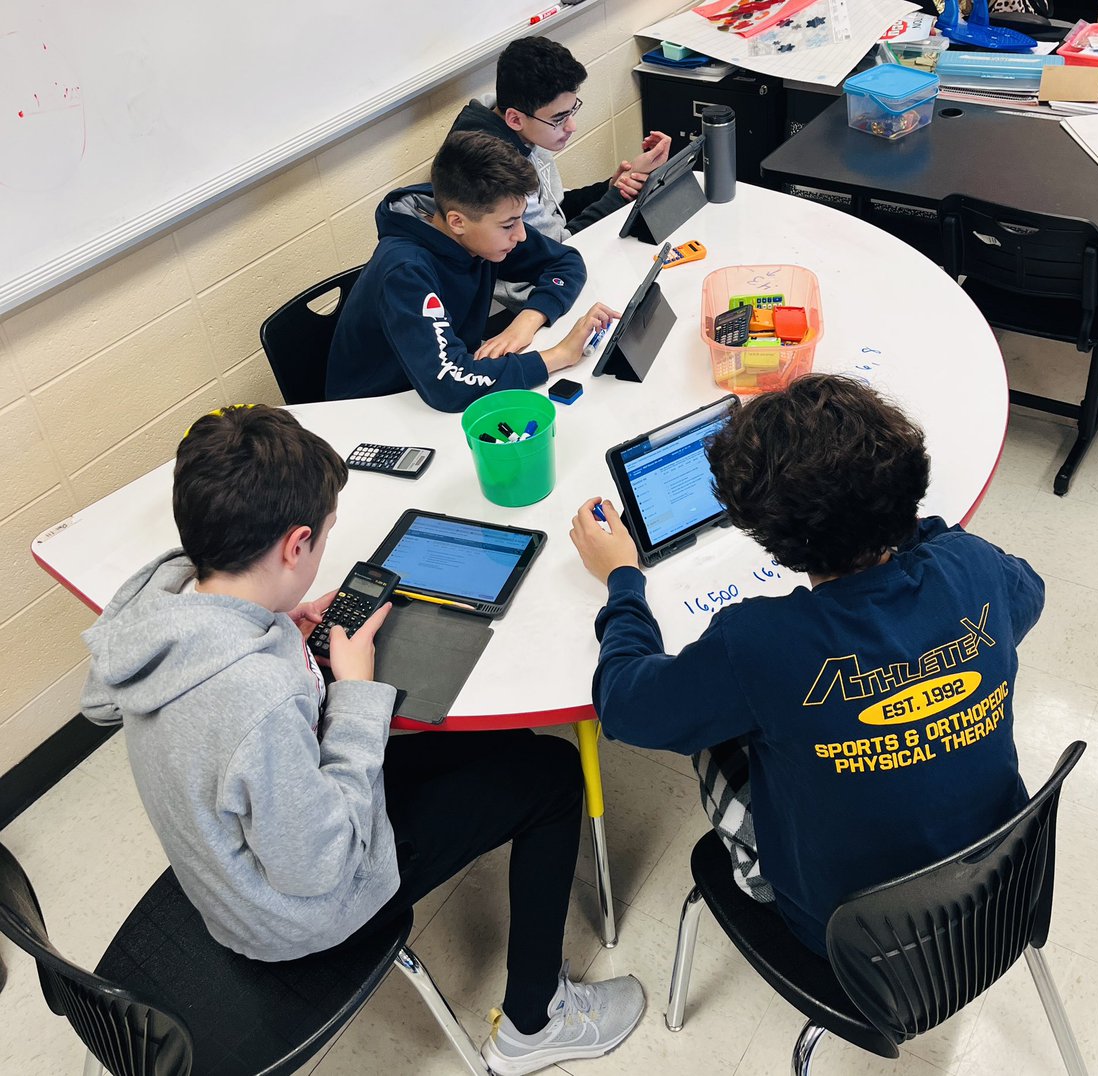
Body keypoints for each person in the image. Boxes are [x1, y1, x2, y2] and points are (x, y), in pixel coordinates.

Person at [80, 405, 644, 1075]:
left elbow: (183, 708)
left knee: (504, 743)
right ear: (295, 546)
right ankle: (536, 1020)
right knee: (552, 773)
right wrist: (352, 690)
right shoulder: (254, 701)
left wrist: (273, 618)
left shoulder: (161, 603)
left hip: (246, 840)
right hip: (295, 910)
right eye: (320, 542)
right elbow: (322, 863)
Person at [568, 374, 1044, 955]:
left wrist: (622, 580)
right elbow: (1028, 596)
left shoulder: (760, 643)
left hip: (852, 941)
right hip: (1005, 891)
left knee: (712, 731)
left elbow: (622, 706)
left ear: (769, 539)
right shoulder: (972, 565)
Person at [325, 131, 616, 408]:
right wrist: (557, 356)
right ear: (457, 222)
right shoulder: (405, 271)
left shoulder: (478, 225)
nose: (521, 235)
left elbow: (565, 262)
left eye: (519, 219)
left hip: (433, 384)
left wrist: (526, 321)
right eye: (509, 224)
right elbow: (450, 385)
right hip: (378, 411)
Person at [449, 36, 670, 314]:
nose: (572, 126)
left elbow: (554, 208)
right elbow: (558, 248)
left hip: (553, 261)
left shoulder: (523, 126)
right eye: (559, 119)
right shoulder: (495, 168)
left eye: (572, 110)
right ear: (515, 118)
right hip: (530, 291)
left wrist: (609, 187)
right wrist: (615, 197)